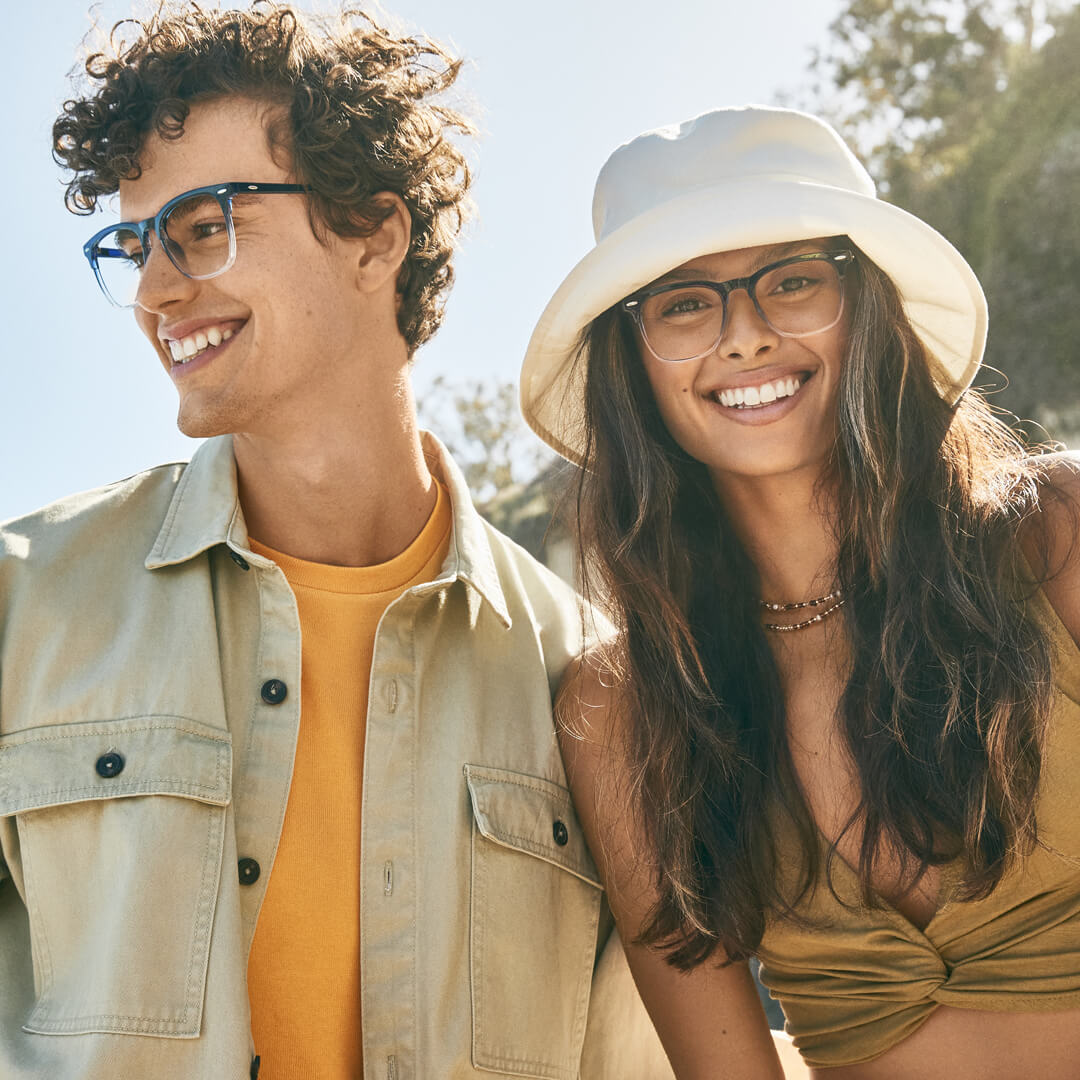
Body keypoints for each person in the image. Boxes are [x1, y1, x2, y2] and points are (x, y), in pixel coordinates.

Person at [0, 5, 673, 1079]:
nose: (157, 290)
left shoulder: (585, 680)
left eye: (205, 224)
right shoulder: (20, 602)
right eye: (133, 245)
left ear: (374, 234)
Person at [519, 105, 1080, 1079]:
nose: (743, 336)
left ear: (868, 306)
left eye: (792, 282)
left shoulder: (1059, 539)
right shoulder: (620, 717)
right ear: (631, 357)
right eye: (686, 304)